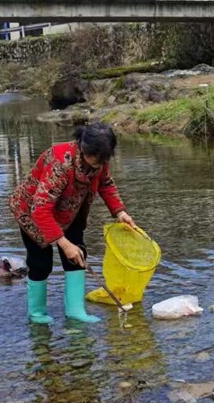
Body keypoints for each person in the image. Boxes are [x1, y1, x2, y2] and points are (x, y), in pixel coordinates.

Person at [10, 122, 138, 324]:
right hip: (33, 211)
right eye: (96, 160)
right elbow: (40, 209)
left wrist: (120, 212)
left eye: (104, 160)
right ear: (84, 149)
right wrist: (63, 243)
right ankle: (37, 313)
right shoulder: (60, 164)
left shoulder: (100, 160)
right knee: (41, 262)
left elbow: (105, 184)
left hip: (71, 209)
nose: (100, 165)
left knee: (78, 255)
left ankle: (75, 311)